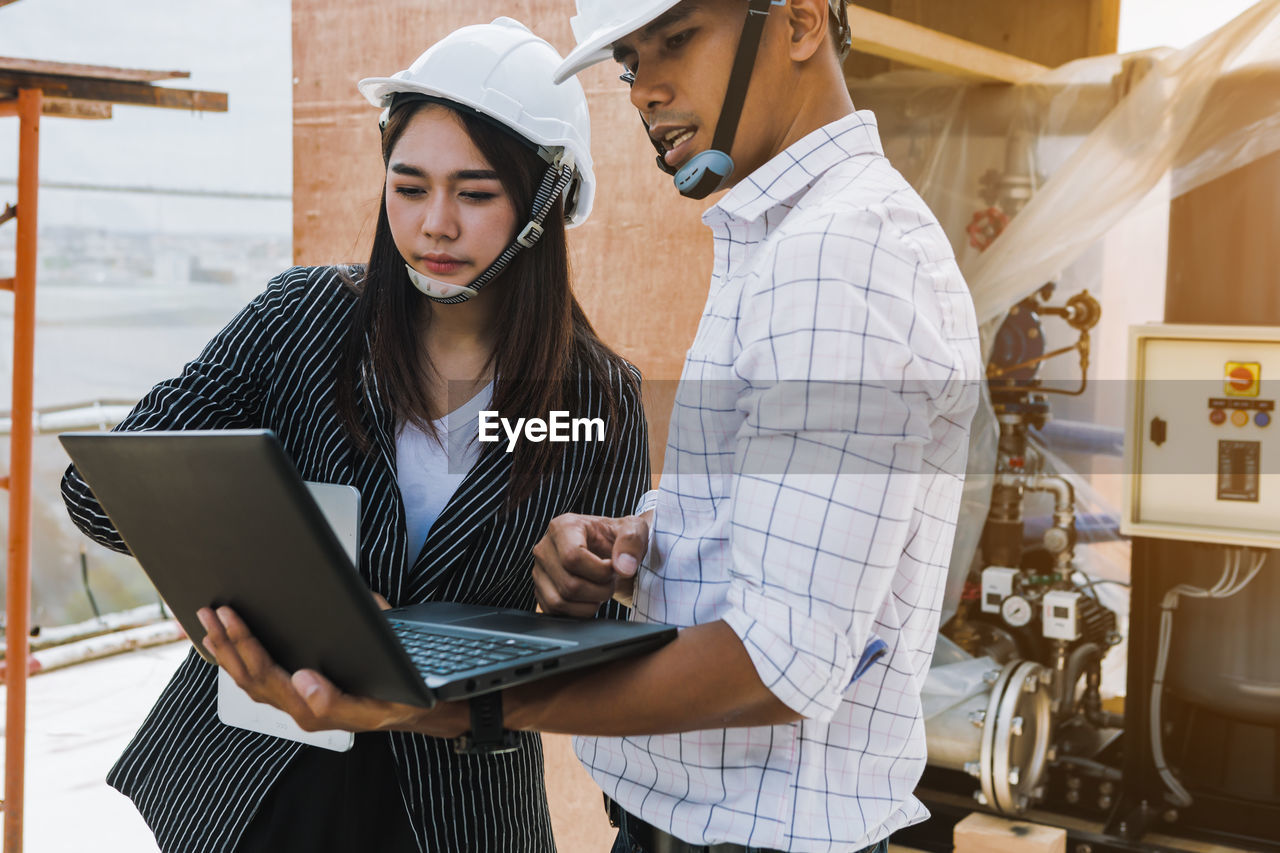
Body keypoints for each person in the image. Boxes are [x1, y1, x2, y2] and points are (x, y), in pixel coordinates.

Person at [198, 1, 983, 851]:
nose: (646, 90)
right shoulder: (780, 242)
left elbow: (782, 657)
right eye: (629, 62)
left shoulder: (834, 254)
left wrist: (447, 696)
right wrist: (639, 541)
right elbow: (782, 553)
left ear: (795, 22)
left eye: (675, 40)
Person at [60, 18, 649, 853]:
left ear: (544, 201)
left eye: (475, 194)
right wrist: (284, 578)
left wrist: (586, 580)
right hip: (252, 785)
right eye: (409, 187)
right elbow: (100, 493)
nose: (435, 224)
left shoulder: (602, 400)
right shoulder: (303, 317)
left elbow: (617, 647)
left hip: (459, 811)